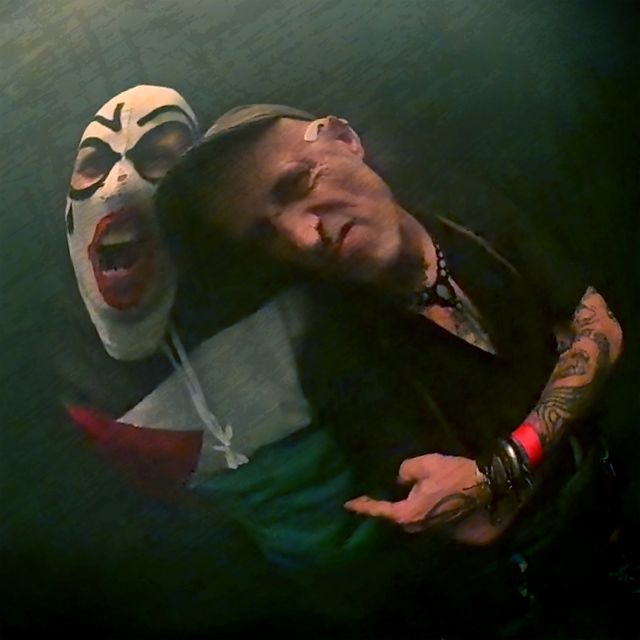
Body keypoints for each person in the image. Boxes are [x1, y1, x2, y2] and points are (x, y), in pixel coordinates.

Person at [156, 104, 626, 632]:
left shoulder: (460, 208)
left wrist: (497, 469)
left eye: (297, 184)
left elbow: (602, 330)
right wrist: (570, 377)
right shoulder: (337, 359)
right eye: (265, 235)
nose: (305, 238)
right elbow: (477, 523)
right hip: (553, 585)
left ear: (344, 138)